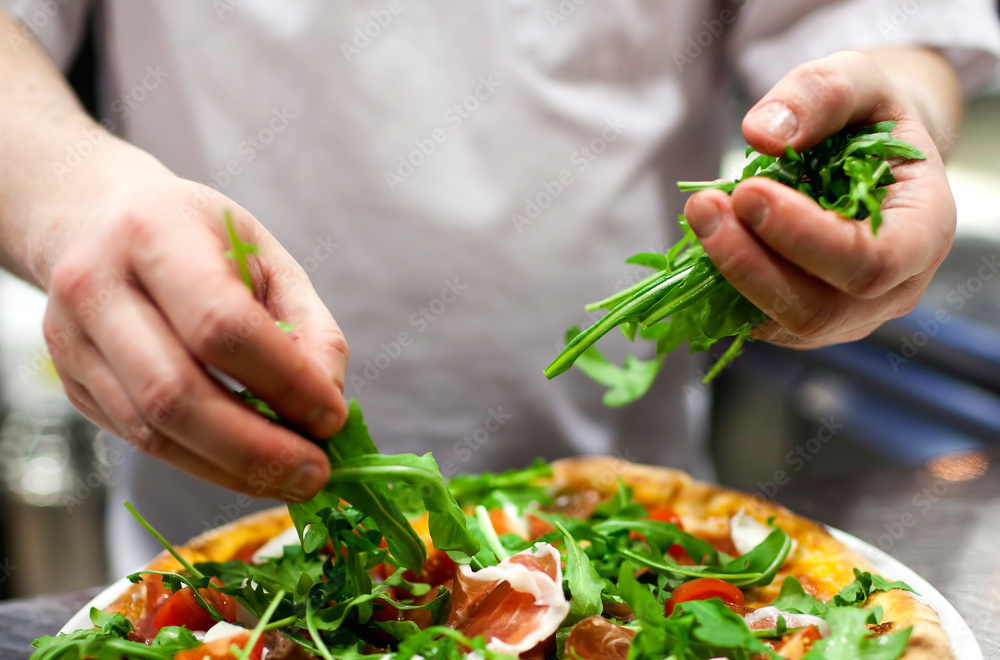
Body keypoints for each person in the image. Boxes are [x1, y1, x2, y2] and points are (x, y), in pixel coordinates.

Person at [0, 1, 997, 573]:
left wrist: (880, 111)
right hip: (222, 556)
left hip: (635, 544)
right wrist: (67, 201)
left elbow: (865, 17)